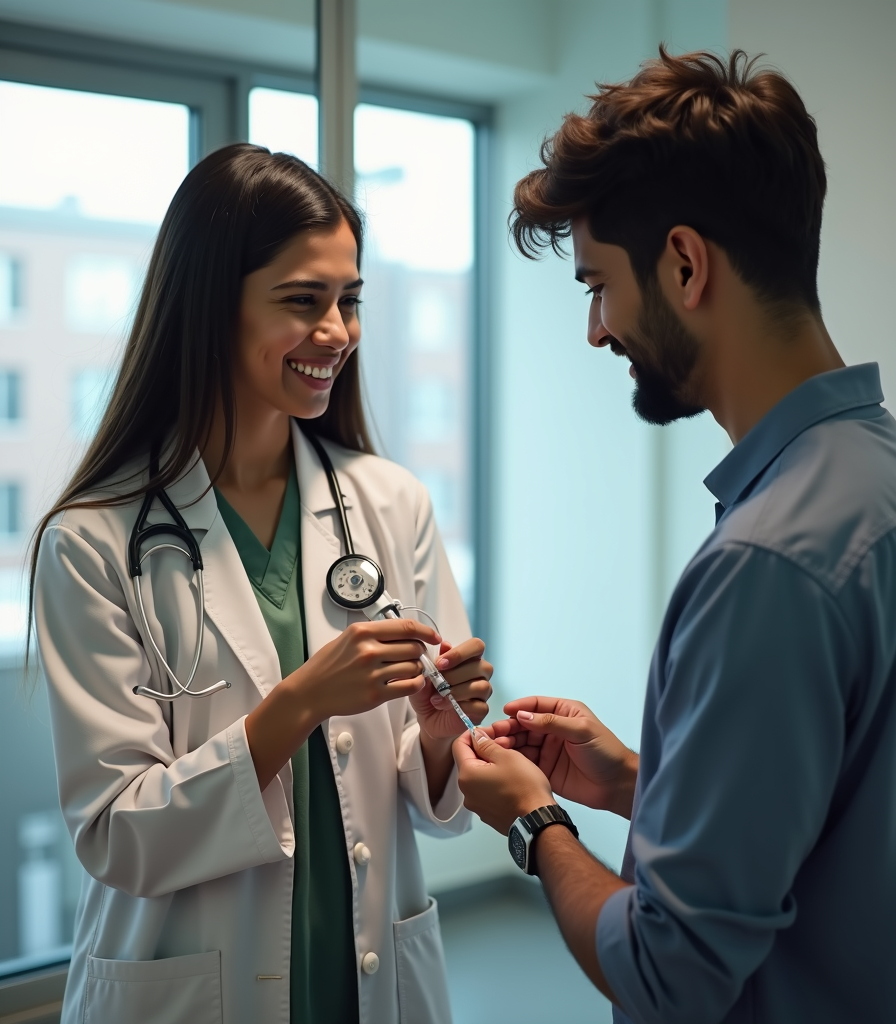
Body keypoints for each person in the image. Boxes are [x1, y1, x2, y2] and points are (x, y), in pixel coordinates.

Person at [453, 48, 896, 1024]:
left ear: (684, 265)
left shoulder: (766, 562)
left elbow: (669, 972)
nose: (595, 331)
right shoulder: (872, 481)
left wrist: (534, 823)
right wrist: (640, 785)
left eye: (595, 285)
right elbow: (848, 828)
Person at [31, 143, 492, 1024]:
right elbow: (118, 833)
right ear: (212, 307)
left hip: (367, 976)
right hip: (189, 988)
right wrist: (303, 701)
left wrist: (439, 738)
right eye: (303, 301)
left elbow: (430, 805)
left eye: (349, 301)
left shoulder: (390, 504)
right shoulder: (92, 541)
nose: (338, 333)